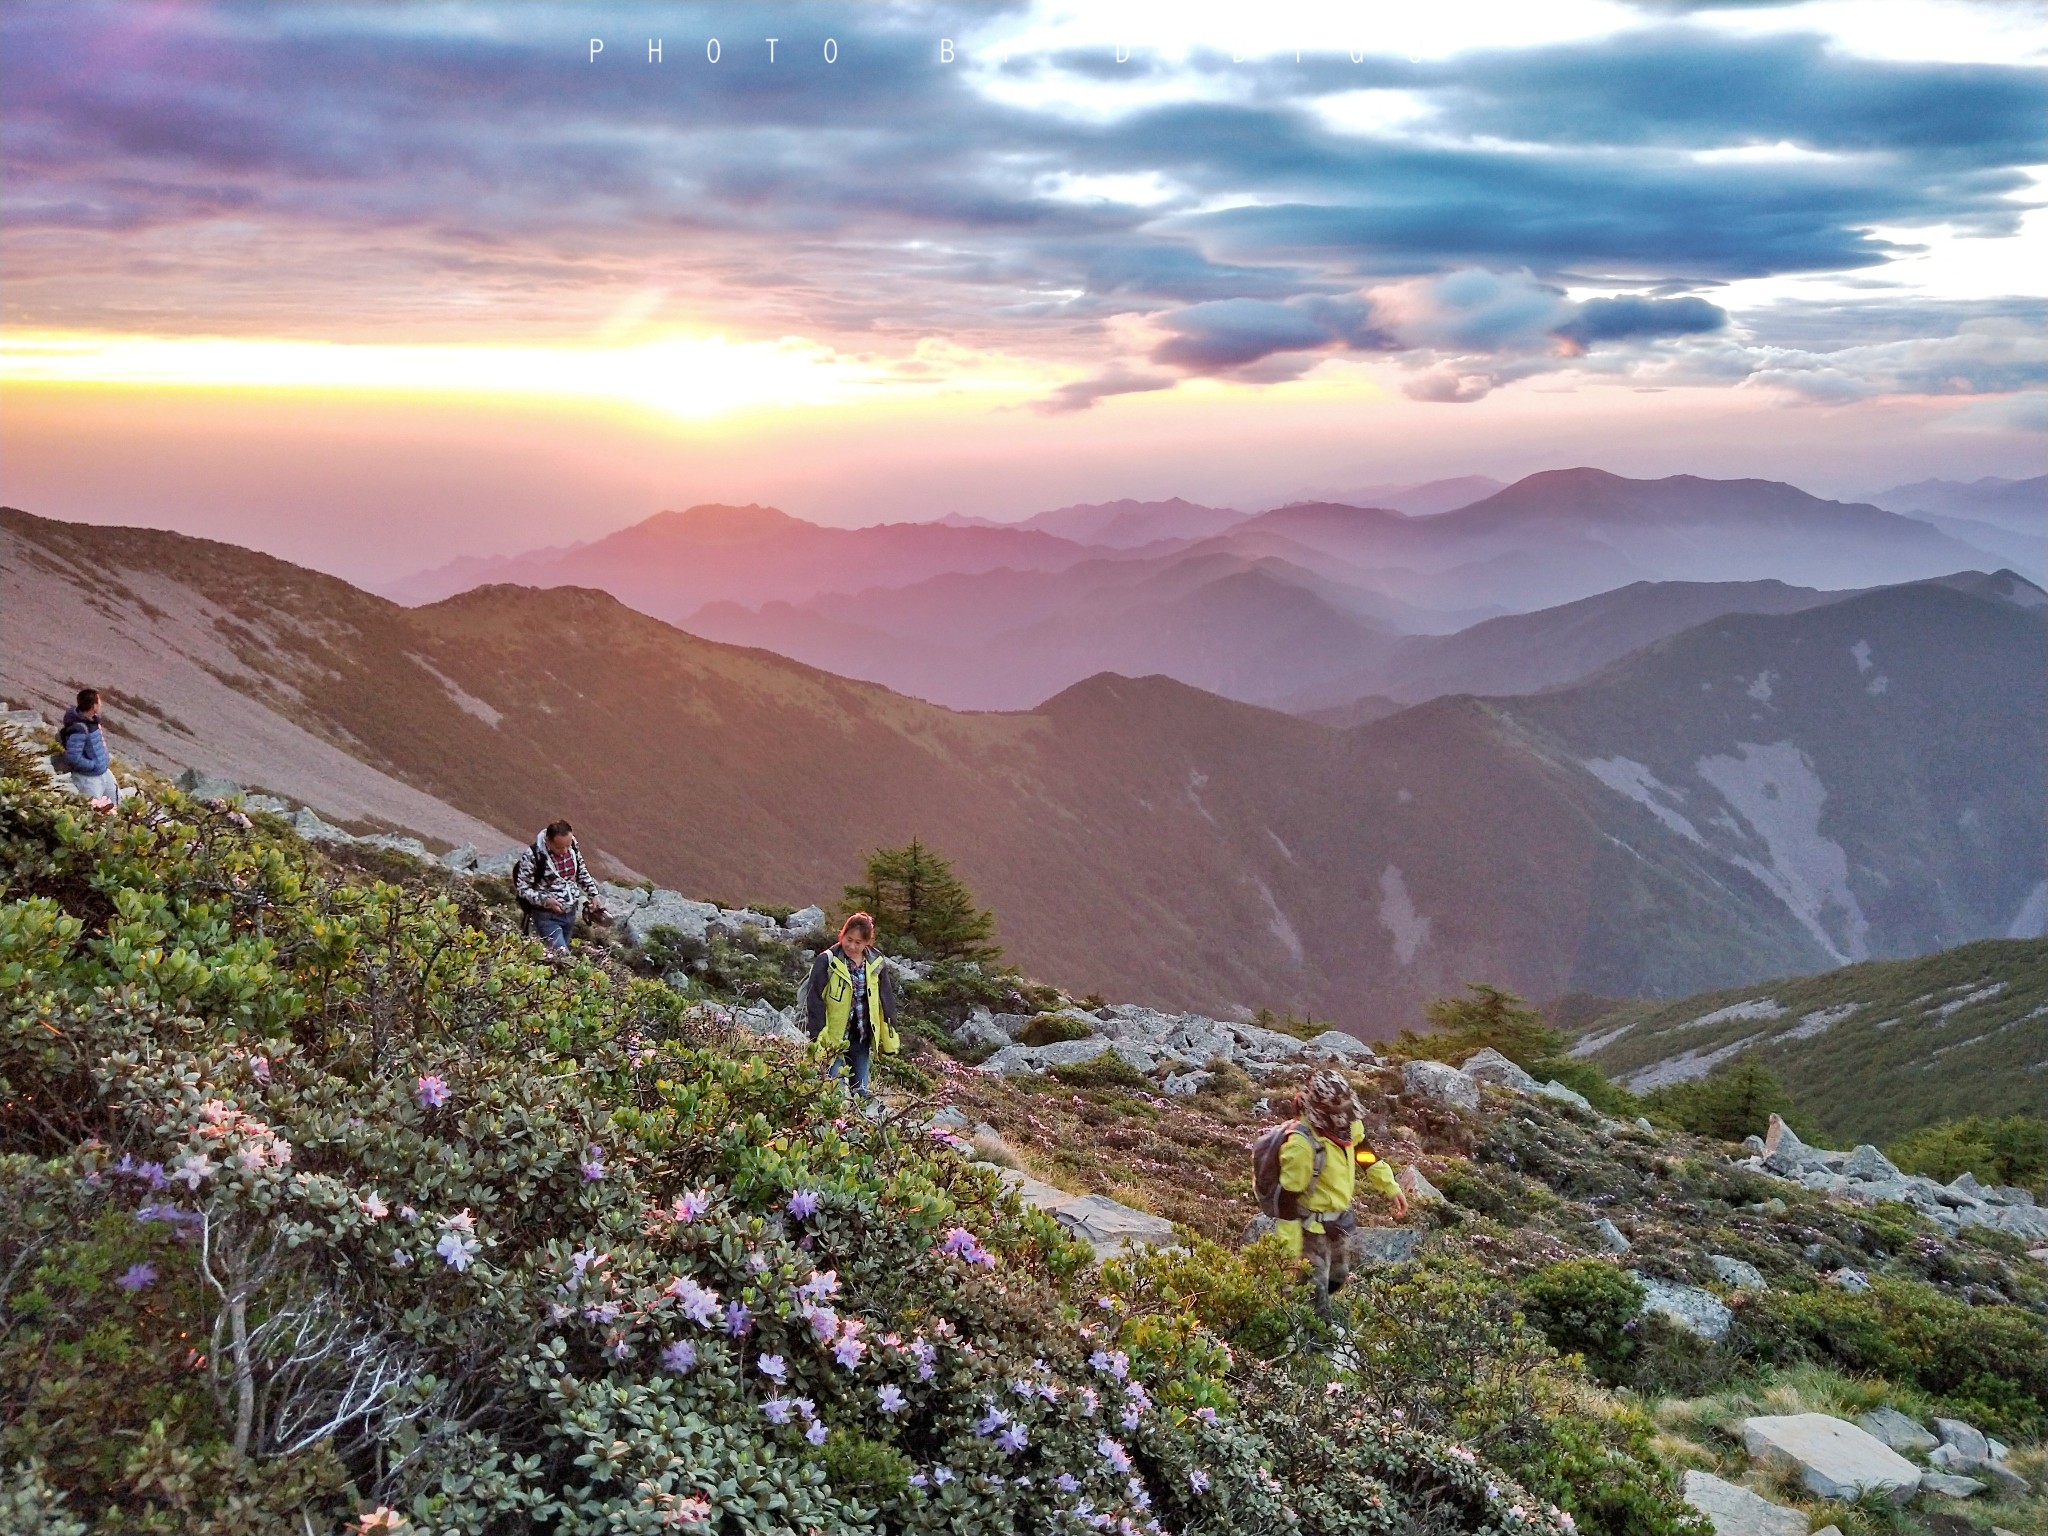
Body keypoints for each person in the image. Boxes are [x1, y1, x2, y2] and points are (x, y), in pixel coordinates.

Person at [1276, 1070, 1408, 1318]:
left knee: (1338, 1277)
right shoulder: (1301, 1146)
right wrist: (1288, 1258)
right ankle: (1314, 1346)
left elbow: (1363, 1152)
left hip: (1338, 1224)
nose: (1345, 1123)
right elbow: (1287, 1205)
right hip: (1309, 1233)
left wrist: (1389, 1185)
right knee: (1314, 1300)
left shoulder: (1349, 1124)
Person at [804, 912, 900, 1097]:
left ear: (867, 943)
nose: (852, 946)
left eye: (858, 942)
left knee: (861, 1094)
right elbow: (814, 998)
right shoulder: (828, 960)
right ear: (842, 934)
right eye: (849, 939)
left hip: (861, 1039)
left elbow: (885, 999)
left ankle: (858, 1123)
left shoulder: (876, 963)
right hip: (833, 1040)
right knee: (833, 1094)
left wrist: (889, 1033)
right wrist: (818, 1036)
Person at [513, 820, 609, 957]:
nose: (564, 851)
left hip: (570, 913)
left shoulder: (572, 847)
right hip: (546, 916)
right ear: (548, 841)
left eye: (567, 846)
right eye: (559, 848)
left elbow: (581, 872)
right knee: (562, 956)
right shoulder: (533, 856)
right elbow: (522, 888)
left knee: (554, 955)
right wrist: (546, 901)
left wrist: (593, 894)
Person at [56, 688, 121, 802]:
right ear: (93, 706)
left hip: (104, 772)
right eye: (98, 701)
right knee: (95, 809)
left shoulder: (92, 721)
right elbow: (73, 757)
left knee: (118, 802)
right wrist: (93, 765)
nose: (101, 704)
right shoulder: (80, 729)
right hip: (89, 779)